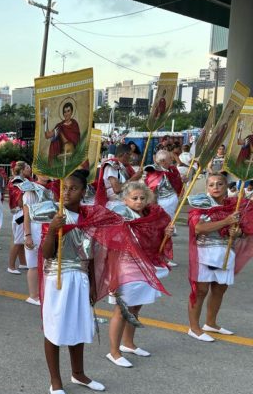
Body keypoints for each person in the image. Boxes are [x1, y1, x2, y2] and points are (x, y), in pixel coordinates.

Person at [35, 170, 164, 394]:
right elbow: (46, 254)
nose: (67, 192)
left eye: (73, 188)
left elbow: (93, 254)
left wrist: (94, 285)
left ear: (84, 191)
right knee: (54, 329)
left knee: (78, 327)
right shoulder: (55, 214)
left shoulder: (91, 217)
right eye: (64, 188)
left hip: (82, 277)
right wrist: (54, 229)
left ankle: (79, 374)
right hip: (58, 278)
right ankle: (55, 380)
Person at [106, 182, 173, 367]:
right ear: (125, 200)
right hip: (125, 267)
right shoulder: (119, 216)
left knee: (136, 308)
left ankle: (128, 344)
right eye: (134, 198)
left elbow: (155, 239)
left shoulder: (152, 216)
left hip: (146, 266)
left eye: (142, 198)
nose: (139, 201)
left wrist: (166, 233)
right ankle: (114, 351)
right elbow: (112, 241)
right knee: (122, 310)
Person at [186, 172, 253, 341]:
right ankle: (194, 328)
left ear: (226, 186)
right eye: (211, 184)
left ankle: (211, 323)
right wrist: (226, 222)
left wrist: (236, 233)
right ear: (207, 187)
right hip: (205, 251)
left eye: (219, 184)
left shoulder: (234, 205)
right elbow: (199, 228)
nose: (215, 187)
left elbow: (239, 231)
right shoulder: (200, 202)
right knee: (200, 291)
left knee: (220, 289)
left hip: (225, 251)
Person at [21, 174, 53, 305]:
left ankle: (46, 293)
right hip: (34, 229)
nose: (45, 175)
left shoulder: (54, 189)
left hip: (49, 229)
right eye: (42, 172)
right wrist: (28, 235)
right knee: (33, 264)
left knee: (49, 263)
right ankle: (33, 295)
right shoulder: (30, 190)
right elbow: (26, 215)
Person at [95, 143, 142, 208]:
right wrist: (134, 178)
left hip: (125, 201)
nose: (131, 158)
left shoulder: (123, 166)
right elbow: (117, 189)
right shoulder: (111, 165)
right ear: (125, 154)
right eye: (130, 155)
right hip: (116, 204)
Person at [7, 161, 30, 273]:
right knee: (17, 241)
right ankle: (11, 266)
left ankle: (23, 263)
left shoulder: (21, 180)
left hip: (19, 213)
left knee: (20, 240)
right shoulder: (18, 181)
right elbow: (20, 201)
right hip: (21, 213)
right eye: (27, 167)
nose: (29, 169)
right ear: (22, 170)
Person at [144, 150, 179, 218]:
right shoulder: (155, 172)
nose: (172, 160)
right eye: (170, 158)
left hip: (172, 202)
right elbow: (152, 191)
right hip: (163, 203)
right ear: (163, 161)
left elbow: (175, 182)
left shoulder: (170, 169)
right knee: (166, 222)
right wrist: (154, 208)